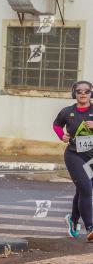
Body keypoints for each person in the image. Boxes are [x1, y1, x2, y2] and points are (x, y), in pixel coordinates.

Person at [53, 80, 93, 242]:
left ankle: (73, 219)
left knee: (82, 190)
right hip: (74, 155)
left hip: (91, 157)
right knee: (87, 190)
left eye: (87, 91)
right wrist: (61, 135)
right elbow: (56, 125)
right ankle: (90, 227)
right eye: (79, 91)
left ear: (91, 93)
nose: (83, 94)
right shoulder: (67, 111)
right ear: (74, 94)